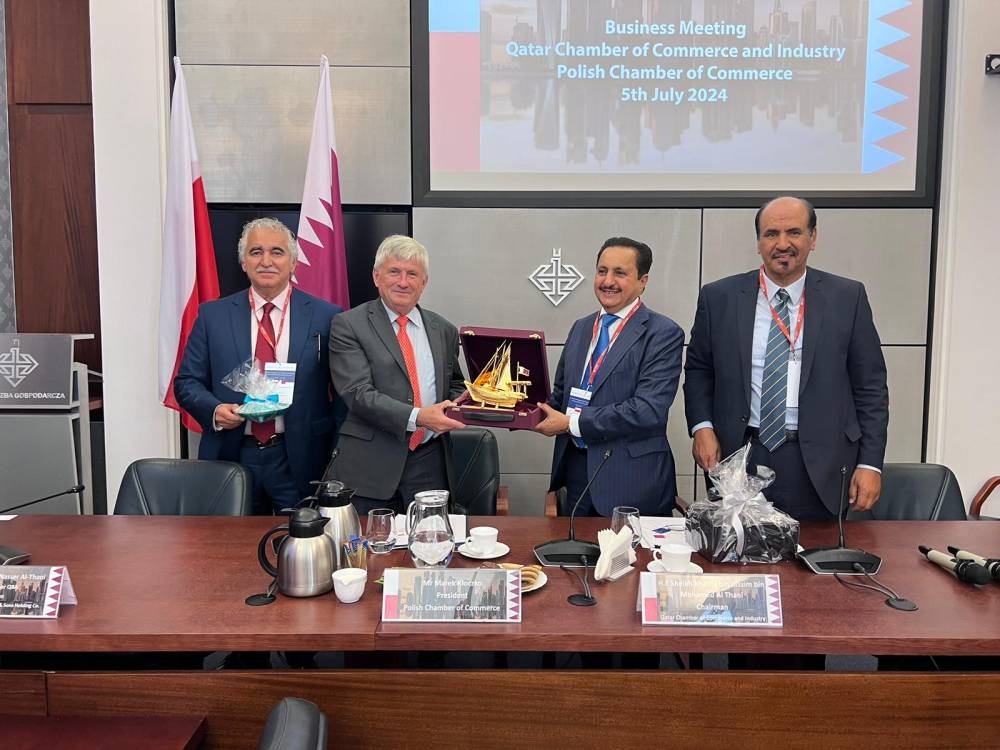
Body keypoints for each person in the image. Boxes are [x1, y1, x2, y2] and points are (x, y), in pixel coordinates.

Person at [684, 196, 889, 520]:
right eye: (770, 234)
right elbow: (698, 370)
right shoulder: (719, 297)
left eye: (793, 232)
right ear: (758, 242)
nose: (782, 244)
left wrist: (870, 463)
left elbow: (870, 386)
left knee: (814, 563)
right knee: (740, 558)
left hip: (822, 460)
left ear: (813, 237)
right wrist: (702, 427)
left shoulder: (847, 297)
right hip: (741, 454)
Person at [174, 217, 341, 514]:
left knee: (300, 548)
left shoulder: (326, 316)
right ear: (243, 263)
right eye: (256, 252)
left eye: (277, 252)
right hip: (232, 454)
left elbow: (342, 392)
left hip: (301, 457)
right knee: (227, 547)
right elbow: (186, 382)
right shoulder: (213, 316)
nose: (266, 261)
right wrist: (214, 410)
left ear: (293, 263)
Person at [536, 237, 685, 517]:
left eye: (620, 273)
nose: (608, 281)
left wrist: (571, 422)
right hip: (577, 473)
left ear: (643, 281)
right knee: (575, 559)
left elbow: (648, 410)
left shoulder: (663, 333)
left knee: (632, 561)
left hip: (631, 480)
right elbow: (560, 395)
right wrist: (520, 408)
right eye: (602, 271)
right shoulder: (581, 328)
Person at [328, 235, 465, 517]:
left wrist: (454, 407)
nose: (403, 282)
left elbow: (455, 383)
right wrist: (419, 416)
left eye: (412, 274)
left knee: (430, 549)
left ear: (424, 283)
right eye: (394, 272)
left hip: (429, 462)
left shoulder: (445, 329)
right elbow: (357, 393)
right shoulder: (348, 325)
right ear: (377, 276)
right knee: (369, 552)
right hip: (369, 466)